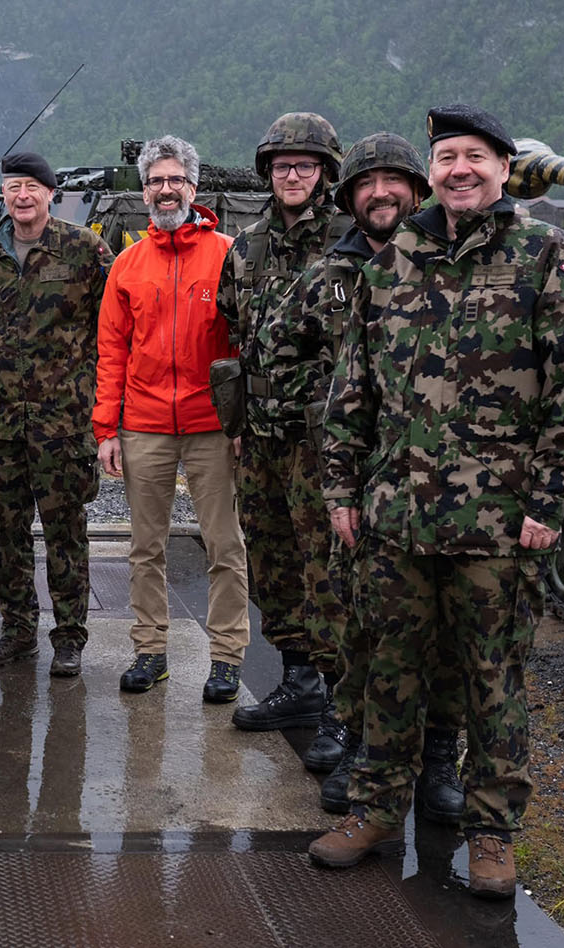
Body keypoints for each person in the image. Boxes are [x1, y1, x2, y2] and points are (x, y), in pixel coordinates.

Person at [310, 105, 564, 900]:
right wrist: (340, 486)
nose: (458, 170)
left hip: (499, 527)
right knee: (386, 674)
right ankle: (373, 812)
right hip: (397, 521)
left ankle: (490, 834)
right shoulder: (392, 260)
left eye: (474, 156)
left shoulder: (546, 255)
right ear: (432, 172)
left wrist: (547, 500)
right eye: (446, 158)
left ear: (504, 169)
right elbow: (352, 390)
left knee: (493, 684)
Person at [274, 132, 466, 819]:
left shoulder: (452, 263)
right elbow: (281, 352)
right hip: (354, 473)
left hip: (446, 479)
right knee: (349, 613)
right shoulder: (329, 272)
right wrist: (331, 403)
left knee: (444, 625)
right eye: (365, 183)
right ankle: (352, 736)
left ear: (416, 191)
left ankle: (438, 755)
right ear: (348, 197)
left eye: (393, 181)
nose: (379, 193)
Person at [94, 135, 250, 697]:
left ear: (194, 186)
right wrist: (106, 429)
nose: (166, 189)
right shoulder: (127, 266)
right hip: (144, 424)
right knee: (145, 547)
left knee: (223, 545)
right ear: (143, 191)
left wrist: (239, 427)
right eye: (156, 181)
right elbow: (111, 350)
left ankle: (228, 656)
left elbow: (243, 346)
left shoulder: (229, 255)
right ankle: (150, 651)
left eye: (175, 179)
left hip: (212, 426)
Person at [217, 112, 348, 732]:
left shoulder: (349, 241)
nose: (291, 176)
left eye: (304, 165)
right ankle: (299, 680)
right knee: (270, 560)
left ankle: (342, 701)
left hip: (321, 439)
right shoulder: (247, 245)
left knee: (327, 567)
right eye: (281, 166)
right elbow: (234, 328)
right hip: (262, 437)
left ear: (325, 172)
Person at [0, 152, 113, 676]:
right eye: (12, 187)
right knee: (5, 533)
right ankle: (17, 630)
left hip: (61, 426)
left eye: (32, 187)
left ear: (51, 193)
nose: (21, 196)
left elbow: (110, 328)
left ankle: (69, 636)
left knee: (65, 533)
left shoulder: (85, 251)